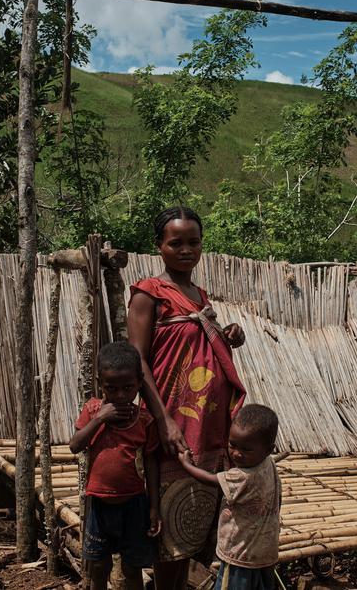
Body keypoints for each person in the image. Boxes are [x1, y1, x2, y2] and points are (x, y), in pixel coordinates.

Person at [127, 206, 248, 590]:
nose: (185, 250)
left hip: (207, 426)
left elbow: (196, 344)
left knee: (194, 521)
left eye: (193, 242)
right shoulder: (148, 294)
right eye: (175, 243)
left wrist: (225, 334)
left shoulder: (199, 295)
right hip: (172, 423)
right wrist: (164, 422)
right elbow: (139, 363)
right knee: (167, 527)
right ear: (159, 247)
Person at [69, 341, 162, 590]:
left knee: (132, 568)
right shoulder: (92, 410)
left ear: (139, 382)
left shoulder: (144, 420)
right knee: (98, 567)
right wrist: (100, 418)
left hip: (134, 505)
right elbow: (75, 445)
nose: (120, 395)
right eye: (112, 388)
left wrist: (154, 507)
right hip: (99, 506)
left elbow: (152, 462)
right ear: (100, 383)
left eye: (127, 388)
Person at [179, 404, 281, 590]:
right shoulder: (269, 465)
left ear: (268, 449)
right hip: (265, 552)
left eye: (246, 450)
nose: (236, 453)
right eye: (232, 445)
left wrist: (187, 466)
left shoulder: (243, 476)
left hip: (239, 555)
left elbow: (211, 480)